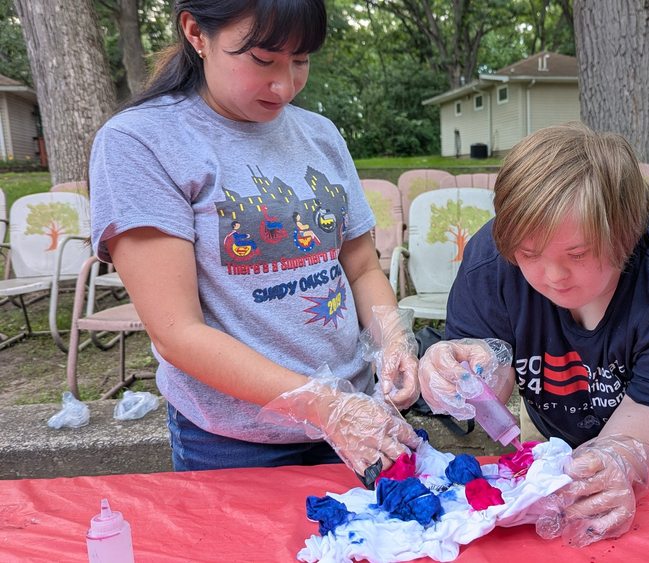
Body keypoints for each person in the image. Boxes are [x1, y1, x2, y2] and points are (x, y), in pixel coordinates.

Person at [87, 0, 420, 480]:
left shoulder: (320, 134)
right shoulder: (141, 142)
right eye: (263, 60)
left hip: (358, 410)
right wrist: (323, 406)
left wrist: (393, 343)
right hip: (236, 439)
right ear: (196, 33)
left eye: (300, 60)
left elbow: (362, 266)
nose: (285, 85)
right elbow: (177, 332)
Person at [417, 123, 649, 545]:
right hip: (561, 411)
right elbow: (493, 375)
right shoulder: (490, 262)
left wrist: (620, 457)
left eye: (577, 254)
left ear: (627, 233)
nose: (552, 276)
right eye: (529, 254)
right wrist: (469, 376)